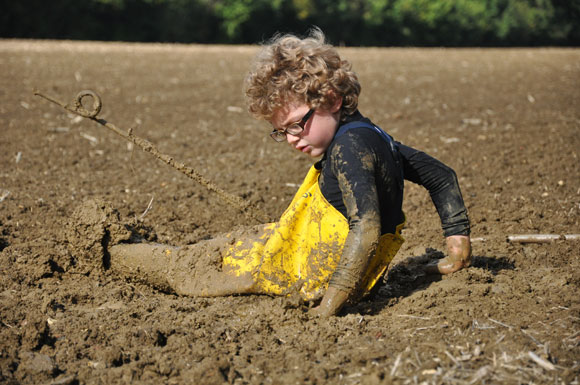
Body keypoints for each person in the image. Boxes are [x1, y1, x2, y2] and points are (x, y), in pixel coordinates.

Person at [108, 28, 471, 318]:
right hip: (313, 261)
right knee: (221, 246)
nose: (291, 139)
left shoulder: (348, 149)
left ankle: (109, 252)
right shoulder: (377, 139)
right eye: (281, 131)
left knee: (187, 266)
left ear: (331, 99)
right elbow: (442, 176)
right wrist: (458, 249)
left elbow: (367, 227)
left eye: (296, 125)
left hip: (299, 272)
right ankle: (117, 250)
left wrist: (330, 305)